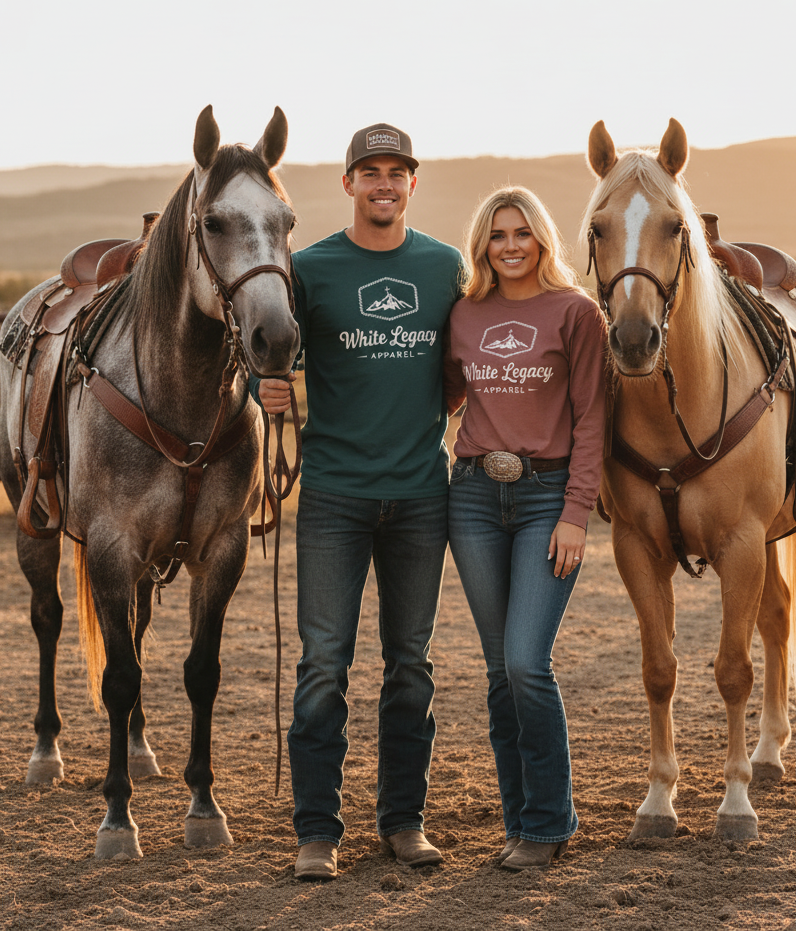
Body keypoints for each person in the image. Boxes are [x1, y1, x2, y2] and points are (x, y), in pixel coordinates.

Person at [255, 123, 464, 881]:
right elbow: (266, 345)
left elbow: (467, 363)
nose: (383, 183)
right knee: (323, 665)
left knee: (410, 665)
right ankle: (317, 831)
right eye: (369, 171)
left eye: (396, 172)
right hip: (335, 496)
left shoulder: (445, 267)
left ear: (413, 183)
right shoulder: (309, 270)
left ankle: (404, 822)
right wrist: (265, 387)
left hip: (420, 495)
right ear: (347, 183)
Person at [443, 186, 607, 870]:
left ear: (543, 239)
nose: (510, 246)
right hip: (475, 497)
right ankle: (518, 822)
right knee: (497, 673)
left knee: (525, 664)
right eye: (497, 235)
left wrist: (576, 514)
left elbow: (594, 418)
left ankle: (549, 821)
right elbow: (446, 396)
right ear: (483, 244)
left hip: (546, 499)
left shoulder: (577, 313)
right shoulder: (464, 313)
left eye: (522, 234)